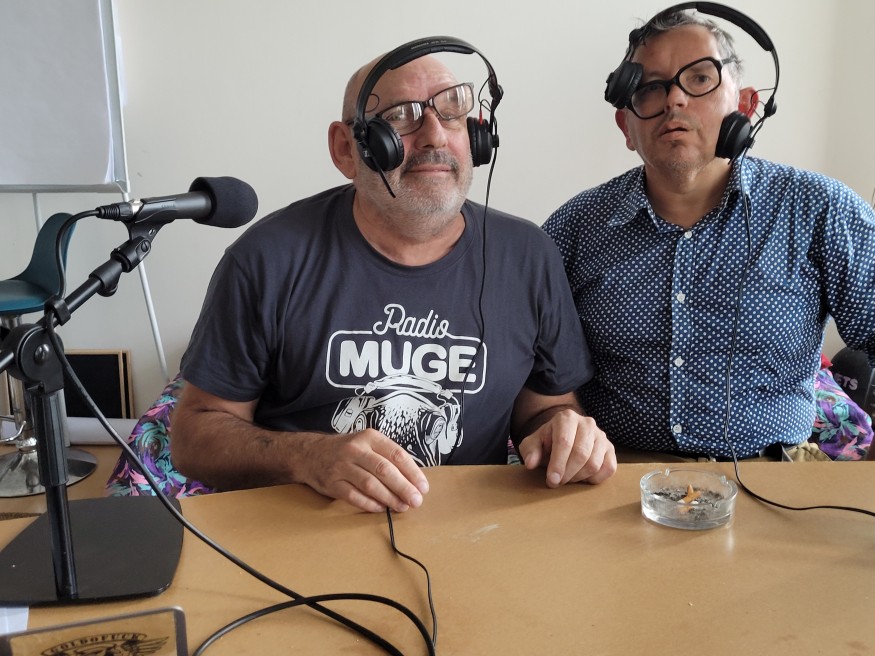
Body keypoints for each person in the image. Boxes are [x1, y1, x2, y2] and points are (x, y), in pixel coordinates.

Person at [170, 39, 616, 513]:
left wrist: (562, 432)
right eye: (401, 116)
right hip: (304, 528)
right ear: (346, 149)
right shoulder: (267, 258)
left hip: (470, 530)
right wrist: (307, 456)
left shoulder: (529, 256)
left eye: (452, 111)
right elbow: (193, 436)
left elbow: (546, 406)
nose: (434, 136)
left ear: (478, 136)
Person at [543, 7, 875, 462]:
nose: (674, 100)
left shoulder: (821, 209)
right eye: (651, 88)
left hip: (773, 478)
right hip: (614, 475)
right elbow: (538, 373)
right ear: (627, 127)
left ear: (746, 107)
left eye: (699, 78)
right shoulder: (573, 228)